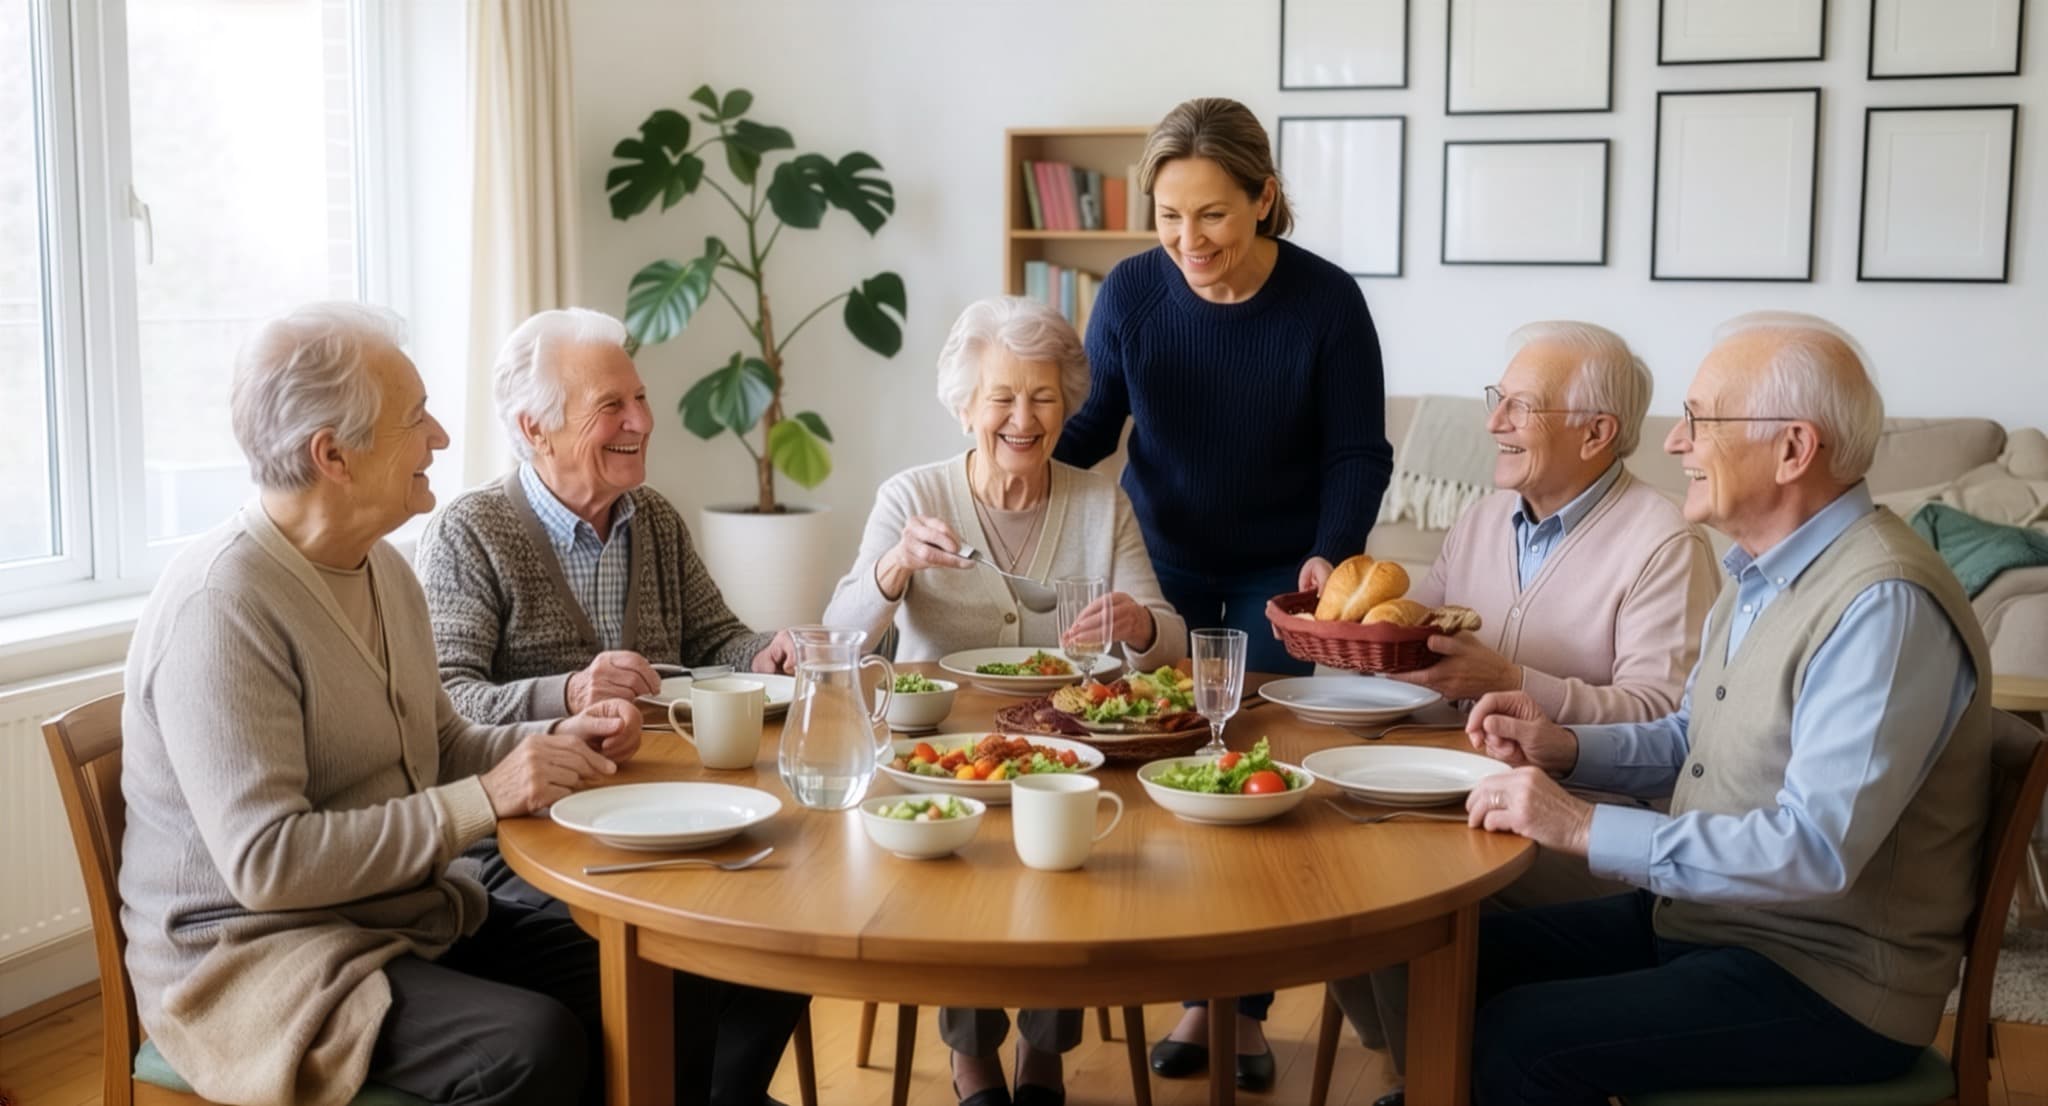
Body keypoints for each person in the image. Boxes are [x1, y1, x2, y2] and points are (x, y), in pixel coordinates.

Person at [119, 302, 790, 1105]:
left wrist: (554, 738)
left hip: (395, 914)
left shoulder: (381, 570)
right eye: (415, 418)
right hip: (264, 962)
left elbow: (439, 741)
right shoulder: (221, 606)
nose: (440, 436)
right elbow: (270, 864)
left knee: (672, 970)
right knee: (529, 1049)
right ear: (333, 454)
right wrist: (487, 794)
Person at [1457, 312, 1989, 1105]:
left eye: (1702, 420)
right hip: (1717, 925)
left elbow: (1816, 848)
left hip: (1829, 981)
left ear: (1793, 450)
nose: (1675, 442)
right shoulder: (1759, 571)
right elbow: (1693, 736)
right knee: (1455, 961)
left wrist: (1579, 826)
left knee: (1521, 1038)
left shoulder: (1883, 603)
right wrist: (1565, 748)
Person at [1056, 96, 1393, 1091]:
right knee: (1150, 773)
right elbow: (1089, 432)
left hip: (1274, 572)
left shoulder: (1324, 303)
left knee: (1245, 777)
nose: (1186, 240)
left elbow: (1353, 450)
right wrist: (1004, 462)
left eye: (1208, 214)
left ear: (1262, 199)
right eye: (1166, 215)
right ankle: (1180, 971)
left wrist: (1332, 554)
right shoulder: (1127, 293)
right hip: (1155, 560)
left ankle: (1228, 1005)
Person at [1329, 322, 1719, 1106]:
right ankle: (1432, 1071)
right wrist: (1340, 614)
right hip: (1460, 787)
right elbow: (1412, 638)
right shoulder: (1481, 520)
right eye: (1495, 400)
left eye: (1518, 406)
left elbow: (1666, 714)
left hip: (1585, 820)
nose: (1492, 422)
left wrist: (1517, 680)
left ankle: (1436, 1082)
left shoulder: (1665, 539)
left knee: (1398, 892)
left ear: (1597, 431)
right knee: (1334, 861)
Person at [824, 295, 1185, 1106]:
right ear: (963, 407)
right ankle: (973, 1053)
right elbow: (840, 633)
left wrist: (1134, 622)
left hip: (1067, 743)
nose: (1024, 418)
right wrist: (894, 571)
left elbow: (1168, 634)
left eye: (1045, 396)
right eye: (1002, 398)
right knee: (962, 868)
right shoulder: (912, 495)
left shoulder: (1101, 502)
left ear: (1070, 404)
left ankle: (1046, 1051)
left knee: (1063, 860)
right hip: (940, 751)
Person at [416, 308, 795, 727]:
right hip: (549, 786)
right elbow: (445, 701)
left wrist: (764, 653)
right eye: (611, 405)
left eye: (640, 398)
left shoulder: (655, 518)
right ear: (536, 429)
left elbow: (714, 642)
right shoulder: (469, 532)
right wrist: (568, 693)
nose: (642, 422)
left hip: (668, 770)